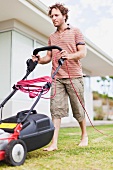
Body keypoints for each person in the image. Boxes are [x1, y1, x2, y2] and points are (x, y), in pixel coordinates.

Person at [32, 3, 88, 151]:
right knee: (56, 109)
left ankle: (84, 135)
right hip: (57, 77)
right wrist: (39, 59)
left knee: (78, 109)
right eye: (52, 16)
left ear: (64, 16)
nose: (54, 18)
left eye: (56, 15)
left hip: (74, 76)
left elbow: (82, 53)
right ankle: (54, 143)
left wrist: (69, 56)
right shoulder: (52, 37)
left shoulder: (75, 31)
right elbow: (48, 57)